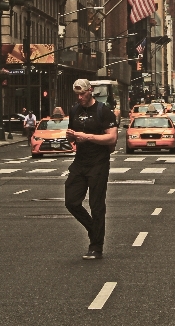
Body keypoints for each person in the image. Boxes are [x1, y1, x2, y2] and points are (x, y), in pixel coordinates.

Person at [64, 78, 118, 261]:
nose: (79, 97)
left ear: (91, 90)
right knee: (71, 201)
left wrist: (86, 137)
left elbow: (112, 139)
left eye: (82, 93)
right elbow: (73, 136)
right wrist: (71, 137)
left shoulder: (104, 111)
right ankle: (93, 229)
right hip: (80, 162)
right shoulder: (74, 111)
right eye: (77, 94)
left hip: (99, 162)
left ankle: (96, 247)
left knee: (97, 205)